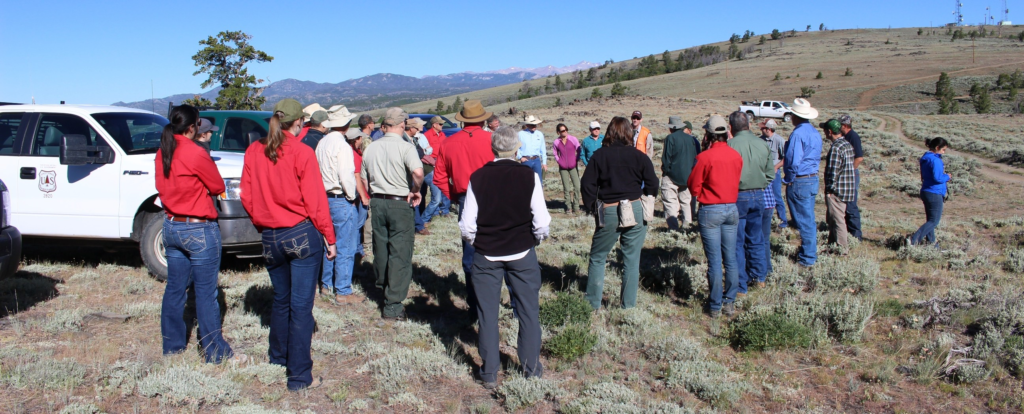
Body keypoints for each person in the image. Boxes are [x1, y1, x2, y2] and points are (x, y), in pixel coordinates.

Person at [241, 98, 337, 391]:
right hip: (300, 233)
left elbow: (246, 195)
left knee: (281, 300)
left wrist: (262, 222)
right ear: (299, 123)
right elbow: (315, 200)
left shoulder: (254, 150)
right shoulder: (301, 151)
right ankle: (298, 376)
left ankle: (278, 357)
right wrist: (329, 237)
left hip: (270, 236)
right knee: (300, 305)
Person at [459, 126, 549, 390]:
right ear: (517, 148)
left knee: (488, 313)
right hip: (522, 253)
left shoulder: (478, 177)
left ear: (493, 148)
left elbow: (467, 225)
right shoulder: (528, 176)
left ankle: (488, 373)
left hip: (486, 254)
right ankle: (531, 367)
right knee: (529, 311)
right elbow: (542, 222)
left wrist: (479, 243)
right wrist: (534, 240)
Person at [156, 105, 240, 364]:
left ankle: (172, 344)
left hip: (171, 225)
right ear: (193, 127)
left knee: (175, 288)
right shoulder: (194, 152)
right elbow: (216, 185)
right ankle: (214, 350)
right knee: (205, 292)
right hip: (198, 227)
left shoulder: (163, 151)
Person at [580, 116, 658, 310]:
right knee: (631, 260)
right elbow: (653, 183)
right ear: (628, 133)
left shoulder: (599, 155)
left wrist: (592, 207)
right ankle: (628, 307)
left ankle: (592, 306)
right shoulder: (639, 156)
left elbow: (586, 184)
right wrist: (647, 198)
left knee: (598, 257)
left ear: (609, 133)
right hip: (635, 208)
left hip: (609, 209)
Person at [433, 100, 494, 319]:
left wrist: (456, 198)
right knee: (500, 248)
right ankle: (496, 301)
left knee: (470, 252)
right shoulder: (492, 140)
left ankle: (474, 304)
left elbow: (439, 178)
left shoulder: (448, 143)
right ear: (483, 119)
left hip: (466, 198)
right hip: (492, 198)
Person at [362, 108, 424, 320]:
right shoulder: (406, 147)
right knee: (400, 251)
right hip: (399, 202)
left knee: (381, 247)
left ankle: (383, 284)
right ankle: (393, 304)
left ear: (384, 125)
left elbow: (361, 178)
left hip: (377, 201)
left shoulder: (371, 147)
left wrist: (368, 195)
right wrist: (415, 191)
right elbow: (417, 172)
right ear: (402, 126)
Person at [687, 115, 742, 318]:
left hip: (711, 209)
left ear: (709, 135)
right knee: (731, 259)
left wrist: (702, 194)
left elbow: (693, 186)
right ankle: (730, 302)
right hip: (731, 209)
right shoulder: (736, 156)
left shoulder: (704, 157)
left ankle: (716, 305)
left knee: (715, 261)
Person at [315, 107, 363, 305]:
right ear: (346, 124)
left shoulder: (322, 143)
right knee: (346, 246)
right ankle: (343, 290)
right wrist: (351, 196)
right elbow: (346, 175)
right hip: (340, 198)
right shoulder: (342, 146)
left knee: (330, 242)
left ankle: (326, 285)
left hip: (324, 198)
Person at [727, 111, 774, 294]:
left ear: (731, 127)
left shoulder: (730, 145)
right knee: (756, 238)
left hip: (737, 196)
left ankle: (741, 284)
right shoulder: (762, 144)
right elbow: (770, 173)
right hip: (759, 195)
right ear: (749, 125)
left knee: (737, 241)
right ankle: (759, 277)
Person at [782, 98, 822, 268]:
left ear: (794, 116)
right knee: (809, 218)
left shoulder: (798, 134)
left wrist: (788, 179)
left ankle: (808, 257)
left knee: (803, 220)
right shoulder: (814, 132)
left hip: (800, 180)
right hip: (812, 178)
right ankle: (810, 251)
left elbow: (792, 160)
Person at [660, 117, 701, 230]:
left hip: (672, 176)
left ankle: (673, 228)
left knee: (670, 202)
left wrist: (665, 171)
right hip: (688, 176)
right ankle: (687, 226)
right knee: (686, 202)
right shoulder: (691, 139)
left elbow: (666, 158)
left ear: (671, 128)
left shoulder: (670, 138)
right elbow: (695, 158)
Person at [910, 137, 952, 247]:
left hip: (926, 190)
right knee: (934, 221)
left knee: (930, 220)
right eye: (943, 150)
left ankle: (932, 244)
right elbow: (937, 178)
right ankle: (913, 240)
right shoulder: (935, 160)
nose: (943, 153)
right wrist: (947, 176)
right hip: (935, 192)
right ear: (937, 148)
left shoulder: (925, 157)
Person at [822, 119, 856, 249]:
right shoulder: (847, 144)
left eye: (825, 130)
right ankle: (832, 245)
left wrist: (829, 190)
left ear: (830, 132)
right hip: (847, 187)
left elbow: (832, 171)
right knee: (834, 219)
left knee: (837, 220)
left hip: (837, 190)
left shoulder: (836, 148)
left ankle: (842, 248)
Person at [838, 114, 864, 241]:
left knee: (851, 205)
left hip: (852, 175)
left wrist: (850, 170)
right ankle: (848, 231)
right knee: (845, 204)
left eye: (840, 125)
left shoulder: (853, 136)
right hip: (846, 175)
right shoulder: (844, 137)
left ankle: (856, 235)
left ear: (845, 126)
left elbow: (859, 157)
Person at [347, 128, 372, 258]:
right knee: (358, 224)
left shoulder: (349, 152)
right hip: (360, 194)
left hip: (356, 194)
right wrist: (364, 196)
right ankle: (357, 250)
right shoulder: (355, 156)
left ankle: (357, 248)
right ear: (356, 139)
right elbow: (359, 177)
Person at [406, 117, 432, 235]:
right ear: (411, 128)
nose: (418, 130)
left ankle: (417, 223)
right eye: (417, 128)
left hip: (412, 172)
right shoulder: (406, 140)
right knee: (414, 199)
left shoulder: (412, 139)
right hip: (409, 174)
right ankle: (418, 225)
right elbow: (420, 152)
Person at [759, 119, 787, 229]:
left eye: (763, 128)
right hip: (762, 172)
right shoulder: (760, 140)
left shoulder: (780, 140)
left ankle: (783, 220)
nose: (761, 130)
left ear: (769, 129)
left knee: (776, 196)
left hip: (774, 172)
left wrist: (776, 167)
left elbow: (785, 158)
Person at [424, 116, 451, 218]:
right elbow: (425, 153)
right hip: (432, 163)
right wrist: (433, 163)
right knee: (435, 187)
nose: (442, 126)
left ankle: (445, 210)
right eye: (440, 124)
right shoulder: (427, 136)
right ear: (434, 125)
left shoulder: (442, 134)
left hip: (441, 162)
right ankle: (434, 212)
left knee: (445, 185)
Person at [552, 123, 582, 213]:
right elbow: (555, 153)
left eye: (565, 130)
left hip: (573, 167)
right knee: (566, 188)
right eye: (562, 131)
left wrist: (576, 159)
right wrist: (559, 161)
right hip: (563, 168)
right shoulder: (556, 142)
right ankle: (568, 206)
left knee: (577, 186)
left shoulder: (573, 139)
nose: (564, 132)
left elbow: (579, 150)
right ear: (558, 132)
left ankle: (576, 206)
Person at [518, 115, 547, 180]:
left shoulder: (539, 134)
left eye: (535, 125)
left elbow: (543, 149)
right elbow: (516, 147)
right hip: (526, 160)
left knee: (539, 181)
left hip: (537, 160)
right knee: (525, 180)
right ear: (527, 125)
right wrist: (520, 157)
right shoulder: (520, 134)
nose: (534, 126)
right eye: (532, 125)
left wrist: (544, 163)